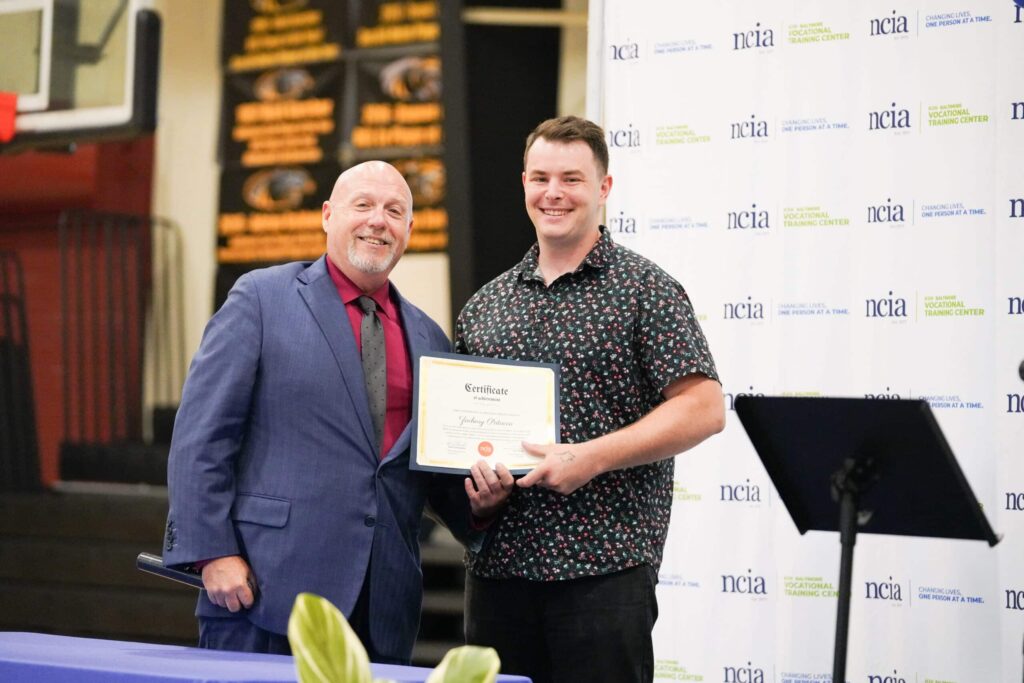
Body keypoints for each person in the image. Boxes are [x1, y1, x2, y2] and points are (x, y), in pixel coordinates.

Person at [164, 161, 513, 663]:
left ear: (410, 230)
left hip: (382, 607)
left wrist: (480, 504)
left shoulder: (430, 340)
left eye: (395, 211)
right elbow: (201, 437)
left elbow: (430, 479)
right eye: (363, 205)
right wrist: (212, 552)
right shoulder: (261, 299)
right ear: (328, 215)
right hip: (264, 593)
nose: (378, 221)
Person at [455, 116, 725, 683]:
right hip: (499, 576)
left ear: (603, 188)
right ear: (524, 184)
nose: (554, 193)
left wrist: (591, 457)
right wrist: (479, 499)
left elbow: (704, 406)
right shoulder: (485, 305)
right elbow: (463, 435)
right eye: (541, 178)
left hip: (604, 575)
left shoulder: (646, 290)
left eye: (572, 179)